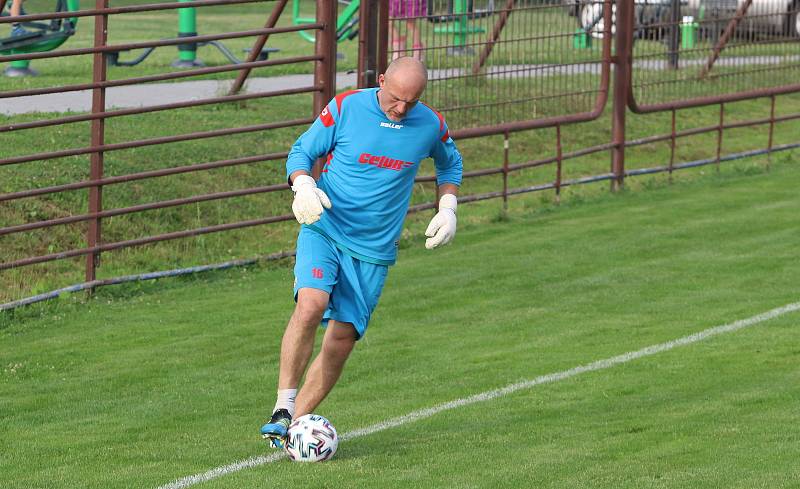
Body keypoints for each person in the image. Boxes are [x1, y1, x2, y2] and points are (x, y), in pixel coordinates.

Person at [260, 57, 463, 447]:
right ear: (381, 81)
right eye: (395, 98)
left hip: (373, 250)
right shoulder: (346, 107)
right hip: (326, 226)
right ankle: (283, 406)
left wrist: (448, 208)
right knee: (311, 304)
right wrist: (302, 185)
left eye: (412, 101)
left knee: (341, 340)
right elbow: (301, 152)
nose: (401, 108)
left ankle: (293, 430)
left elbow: (450, 163)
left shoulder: (430, 124)